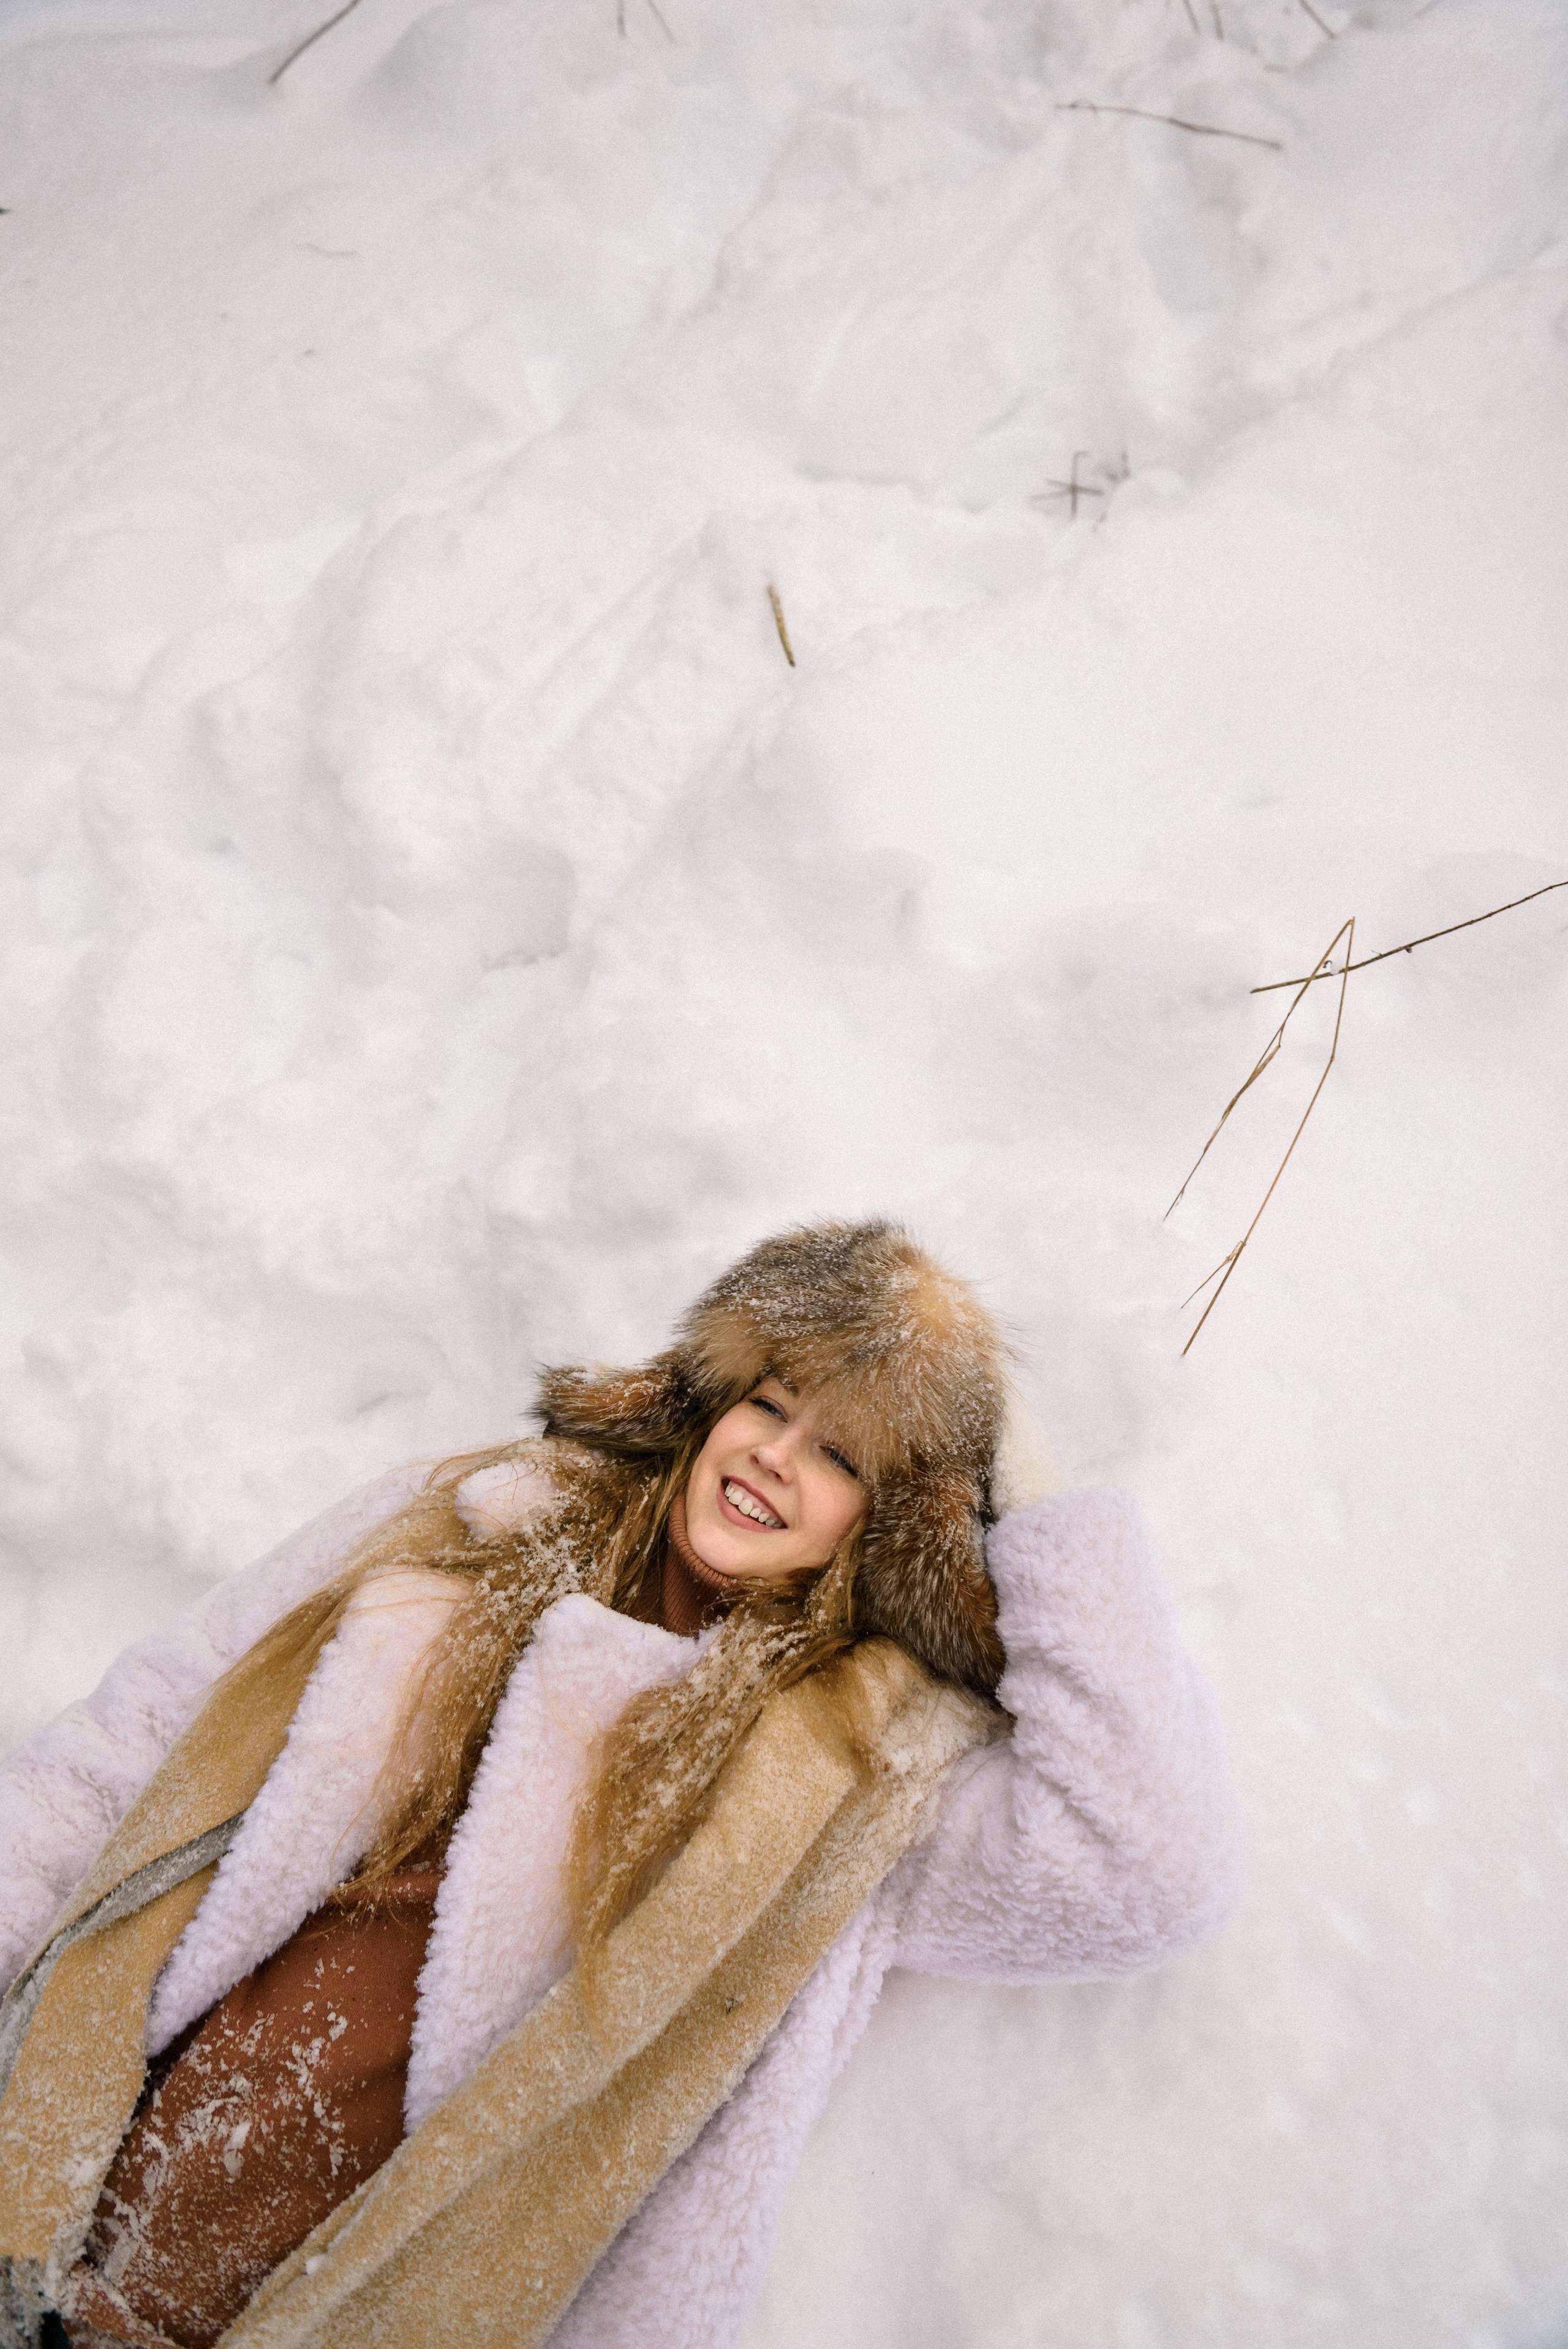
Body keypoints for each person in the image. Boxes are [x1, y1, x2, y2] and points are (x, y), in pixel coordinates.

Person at [0, 1221, 1240, 2349]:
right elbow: (145, 1733)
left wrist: (1030, 1497)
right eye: (770, 1400)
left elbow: (1143, 1872)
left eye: (844, 1454)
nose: (774, 1456)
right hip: (60, 2188)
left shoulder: (849, 1781)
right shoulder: (469, 1523)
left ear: (893, 1522)